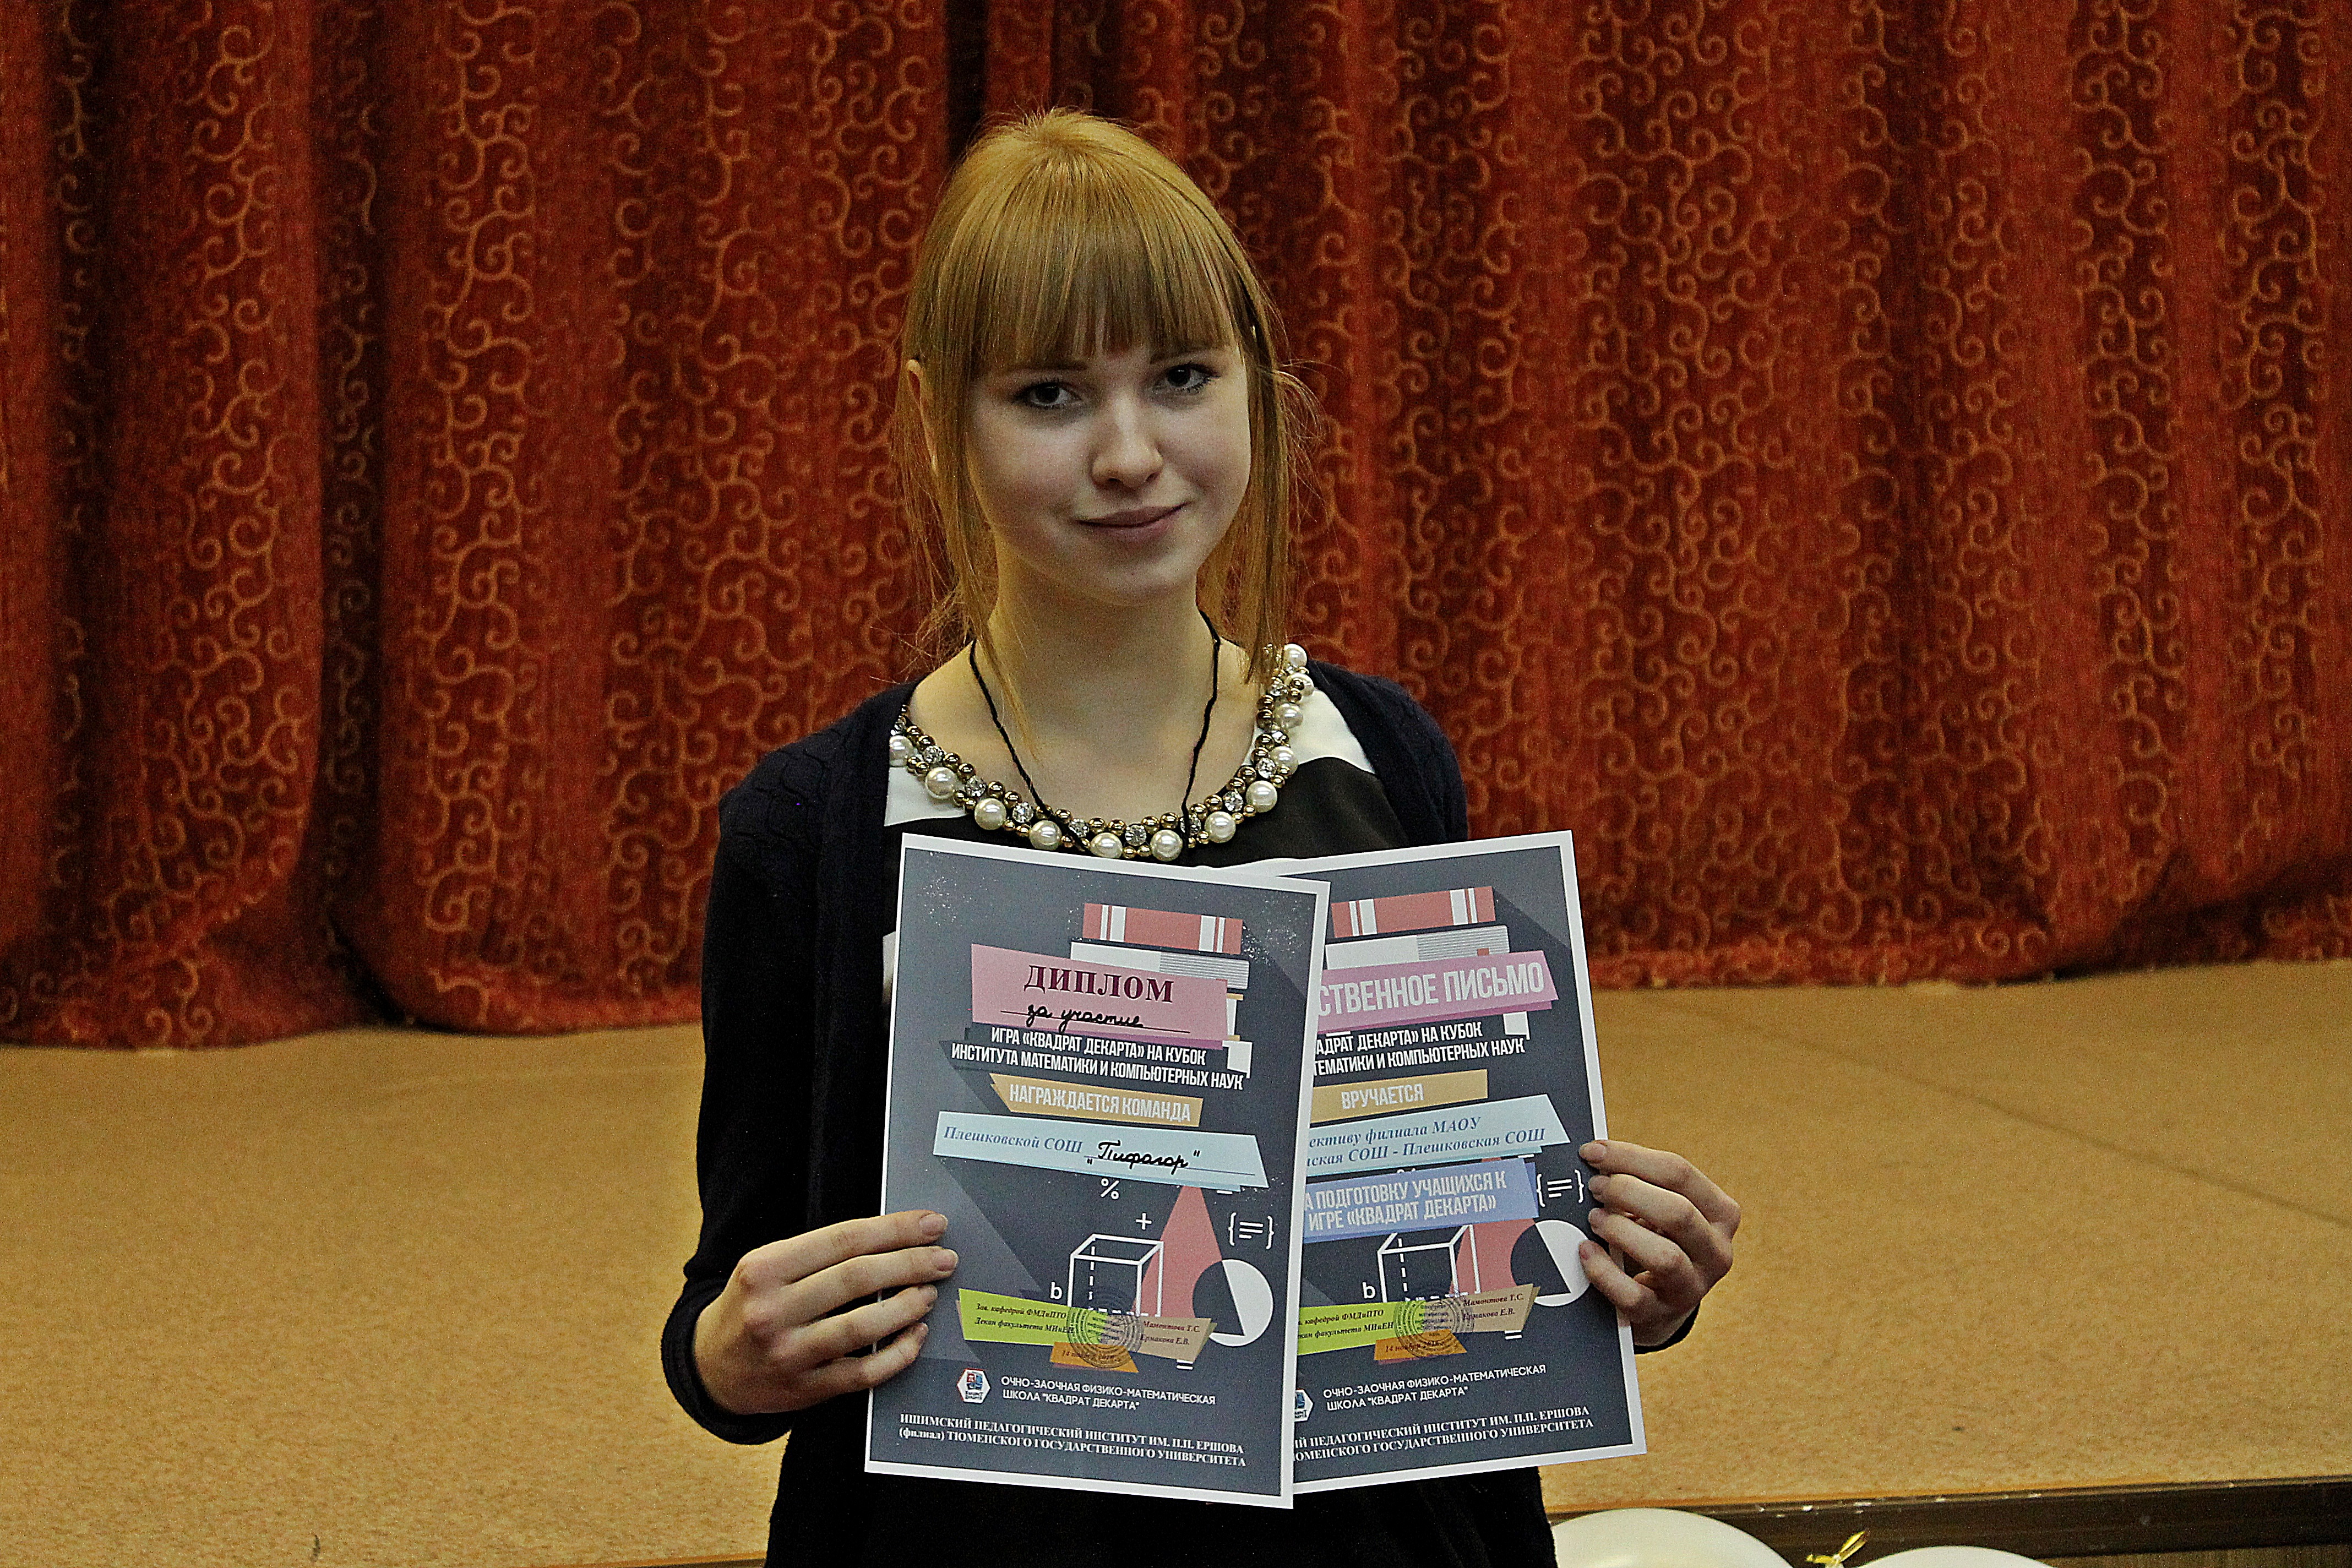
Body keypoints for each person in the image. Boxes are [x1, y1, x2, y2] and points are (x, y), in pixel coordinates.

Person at [661, 109, 1740, 1568]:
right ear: (936, 418)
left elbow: (1472, 1215)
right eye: (1049, 394)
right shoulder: (816, 830)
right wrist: (734, 1357)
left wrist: (1630, 1281)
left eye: (1181, 377)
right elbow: (730, 1306)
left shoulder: (1382, 752)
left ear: (1255, 385)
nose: (1129, 454)